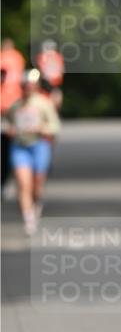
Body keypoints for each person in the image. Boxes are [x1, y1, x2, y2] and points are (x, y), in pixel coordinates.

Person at [5, 69, 61, 234]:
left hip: (39, 146)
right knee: (23, 184)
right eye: (25, 85)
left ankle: (36, 204)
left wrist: (40, 128)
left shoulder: (44, 103)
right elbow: (7, 124)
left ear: (36, 86)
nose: (27, 88)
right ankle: (28, 218)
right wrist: (11, 130)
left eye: (30, 85)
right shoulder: (16, 105)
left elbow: (54, 127)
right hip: (20, 147)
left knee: (37, 184)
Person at [1, 38, 26, 191]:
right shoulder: (18, 57)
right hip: (14, 103)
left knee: (7, 144)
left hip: (6, 105)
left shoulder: (4, 57)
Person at [35, 40, 65, 111]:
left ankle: (50, 111)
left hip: (49, 80)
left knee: (48, 98)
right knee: (54, 97)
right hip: (55, 80)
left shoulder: (43, 56)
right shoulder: (57, 56)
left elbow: (41, 69)